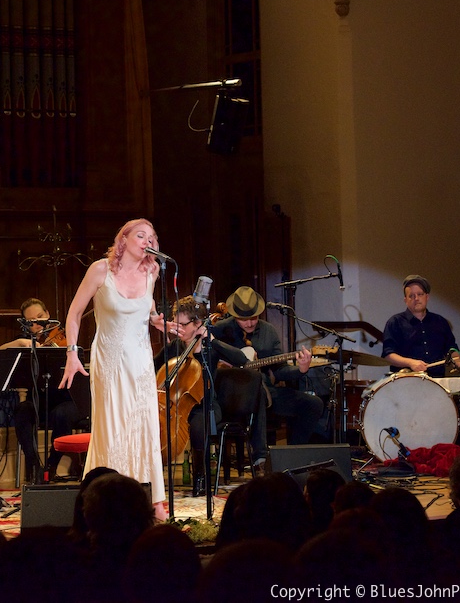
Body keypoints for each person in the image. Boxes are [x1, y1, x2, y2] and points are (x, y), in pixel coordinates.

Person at [59, 218, 168, 521]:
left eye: (152, 236)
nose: (147, 240)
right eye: (140, 235)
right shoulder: (100, 270)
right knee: (114, 427)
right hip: (109, 359)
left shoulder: (152, 270)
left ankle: (154, 499)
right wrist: (72, 352)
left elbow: (149, 312)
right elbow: (74, 313)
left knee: (145, 426)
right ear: (123, 239)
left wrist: (161, 322)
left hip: (142, 361)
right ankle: (107, 498)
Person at [210, 286, 322, 461]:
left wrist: (302, 369)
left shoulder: (268, 331)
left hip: (268, 393)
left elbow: (280, 369)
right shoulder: (219, 330)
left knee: (313, 404)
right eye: (243, 319)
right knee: (257, 386)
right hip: (230, 398)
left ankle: (292, 456)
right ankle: (260, 456)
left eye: (253, 318)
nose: (249, 323)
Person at [154, 295, 248, 495]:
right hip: (172, 406)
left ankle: (200, 479)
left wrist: (212, 341)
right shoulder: (174, 347)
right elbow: (152, 368)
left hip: (204, 405)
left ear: (198, 323)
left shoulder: (209, 348)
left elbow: (241, 359)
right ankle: (152, 480)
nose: (177, 329)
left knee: (198, 427)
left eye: (182, 324)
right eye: (175, 324)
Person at [0, 298, 85, 483]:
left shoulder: (66, 338)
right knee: (23, 411)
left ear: (47, 314)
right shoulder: (27, 343)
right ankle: (34, 466)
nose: (37, 324)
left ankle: (51, 466)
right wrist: (22, 343)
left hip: (67, 400)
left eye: (40, 317)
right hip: (41, 402)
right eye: (31, 322)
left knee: (62, 414)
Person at [381, 275, 460, 377]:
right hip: (406, 381)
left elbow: (452, 347)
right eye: (411, 296)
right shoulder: (395, 322)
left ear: (427, 297)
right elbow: (388, 355)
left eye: (420, 294)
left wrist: (456, 358)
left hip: (437, 381)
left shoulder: (440, 322)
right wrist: (410, 363)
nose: (416, 298)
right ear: (405, 300)